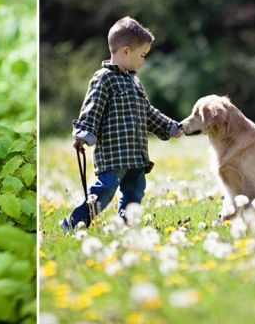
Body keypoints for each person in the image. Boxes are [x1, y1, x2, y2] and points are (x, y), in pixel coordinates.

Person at [60, 17, 182, 232]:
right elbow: (92, 107)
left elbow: (147, 112)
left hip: (136, 155)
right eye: (142, 55)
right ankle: (74, 223)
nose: (143, 61)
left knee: (135, 192)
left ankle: (126, 225)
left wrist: (170, 127)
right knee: (104, 191)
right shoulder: (104, 78)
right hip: (114, 155)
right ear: (126, 51)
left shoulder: (134, 81)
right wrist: (83, 134)